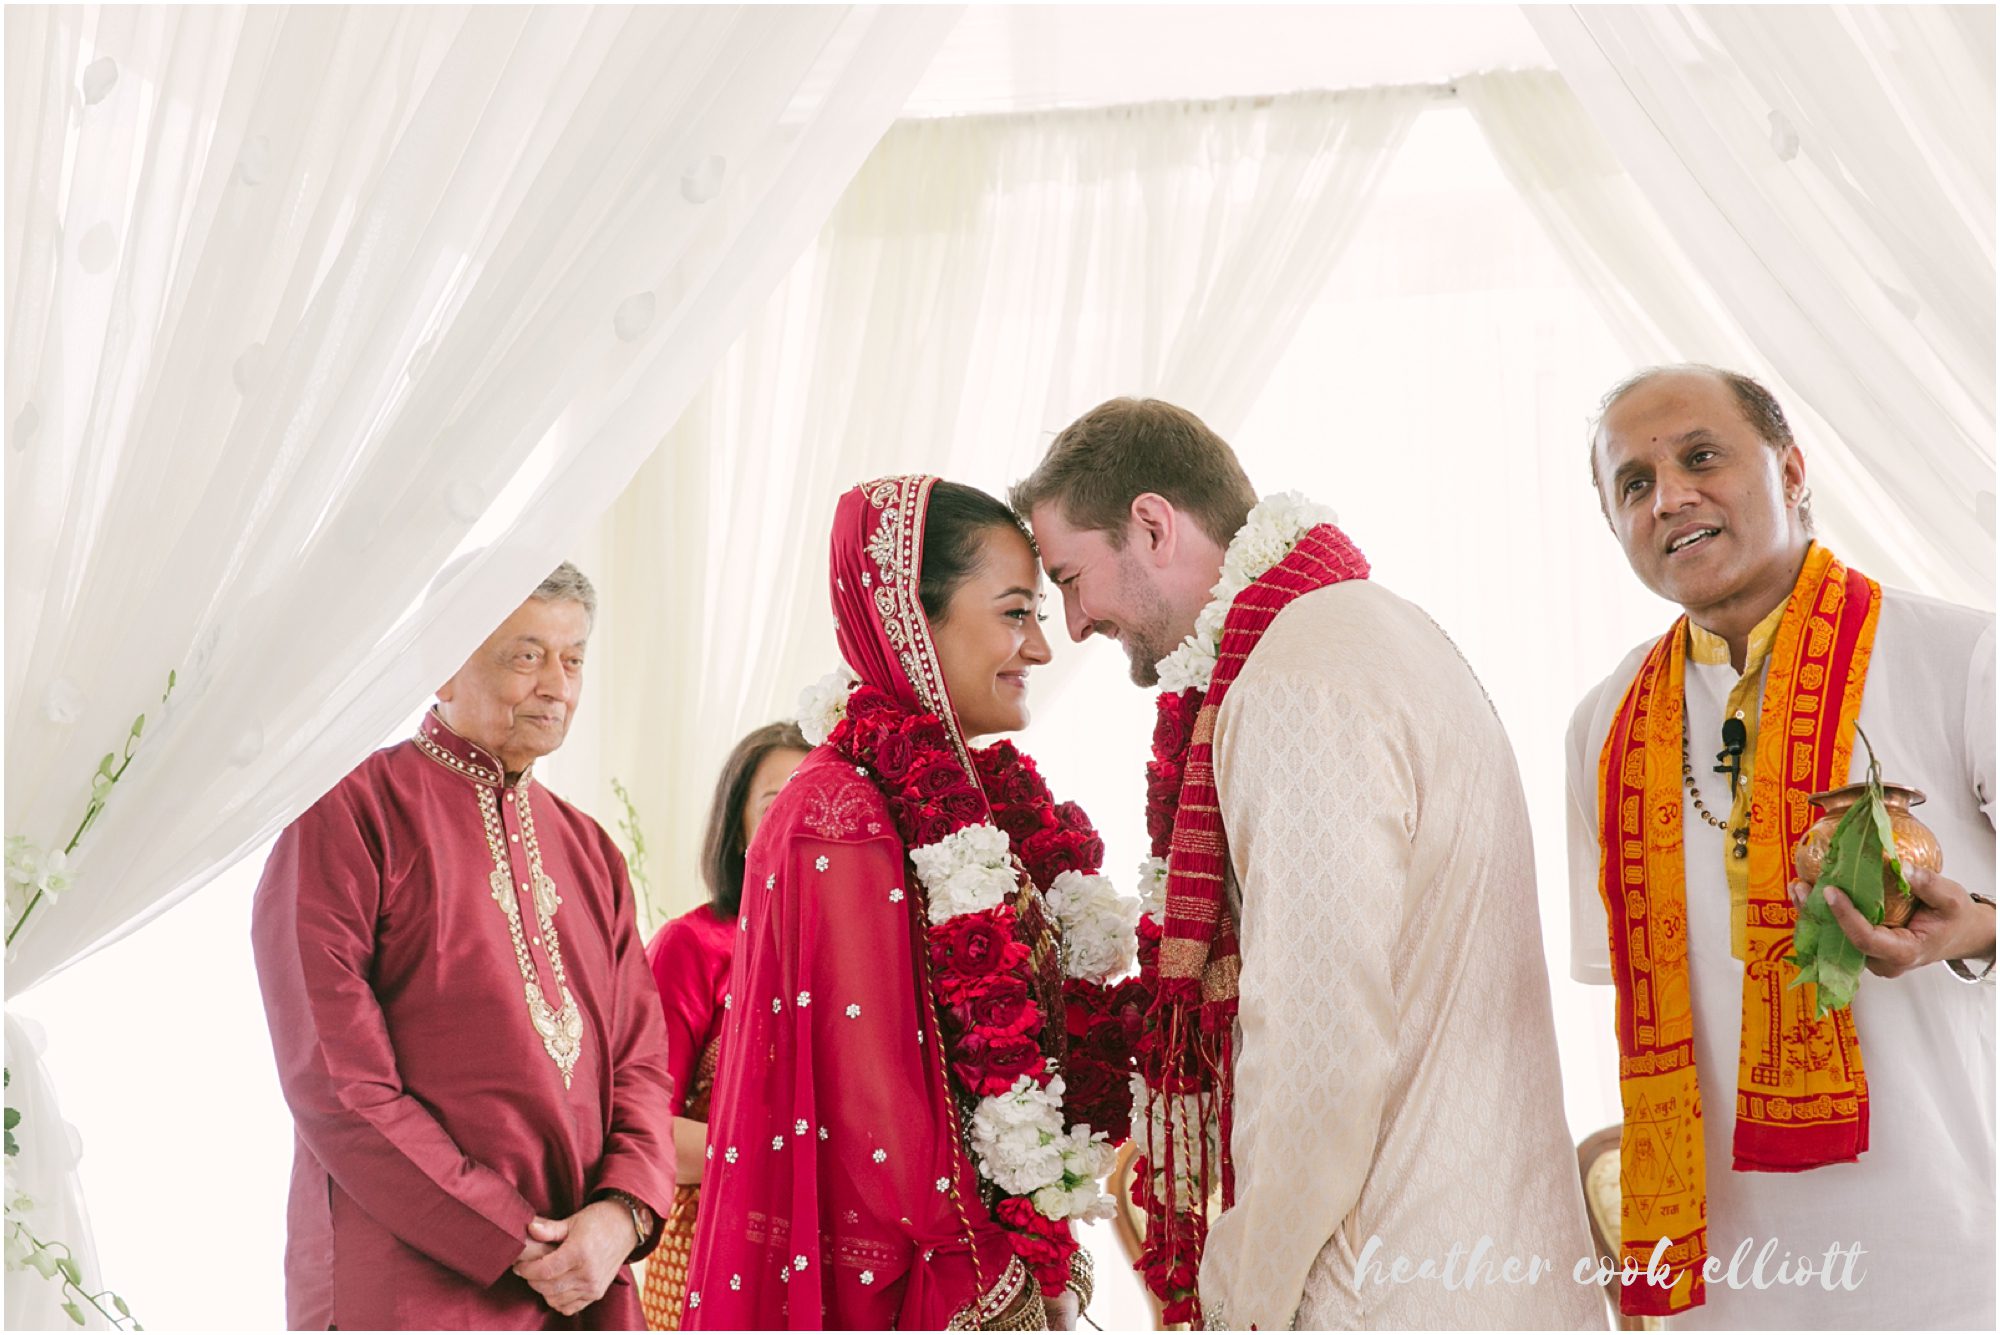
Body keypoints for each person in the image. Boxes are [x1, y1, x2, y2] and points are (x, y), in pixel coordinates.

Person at [1013, 398, 1600, 1330]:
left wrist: (1240, 1294)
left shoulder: (1296, 685)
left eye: (1072, 578)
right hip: (1495, 1260)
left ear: (1153, 524)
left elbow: (1319, 1052)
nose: (1078, 624)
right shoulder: (1377, 625)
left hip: (1393, 1284)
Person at [1565, 365, 1995, 1328]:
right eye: (1633, 483)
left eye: (1701, 456)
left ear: (1793, 468)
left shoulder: (1959, 657)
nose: (1669, 495)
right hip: (1723, 1276)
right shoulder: (1604, 726)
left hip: (1945, 1253)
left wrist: (1974, 931)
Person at [683, 477, 1136, 1330]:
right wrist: (1006, 1284)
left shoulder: (975, 796)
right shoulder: (837, 812)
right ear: (911, 626)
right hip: (902, 1292)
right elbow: (877, 1126)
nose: (1041, 647)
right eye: (1014, 613)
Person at [252, 564, 676, 1330]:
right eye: (526, 655)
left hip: (584, 1281)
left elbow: (642, 1065)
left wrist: (617, 1218)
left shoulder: (590, 851)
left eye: (573, 657)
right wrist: (509, 1231)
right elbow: (338, 1084)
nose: (557, 685)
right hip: (412, 1282)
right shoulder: (347, 815)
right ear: (442, 663)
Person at [639, 722, 810, 1330]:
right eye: (777, 803)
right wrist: (782, 1164)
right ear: (736, 825)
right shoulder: (694, 946)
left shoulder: (864, 956)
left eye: (818, 801)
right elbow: (641, 1130)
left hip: (835, 1257)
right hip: (714, 1250)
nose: (802, 822)